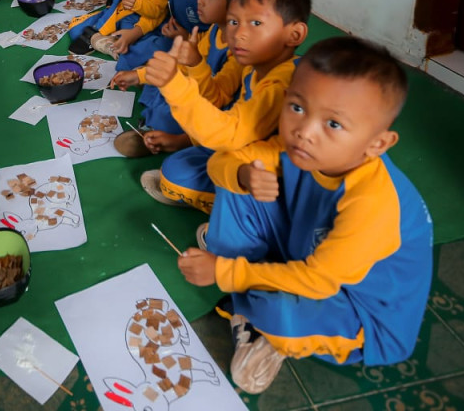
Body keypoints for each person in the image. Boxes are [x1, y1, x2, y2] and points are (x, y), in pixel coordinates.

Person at [176, 37, 432, 395]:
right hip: (305, 251)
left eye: (334, 124)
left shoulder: (373, 202)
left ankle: (257, 315)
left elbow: (318, 281)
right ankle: (250, 280)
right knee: (241, 183)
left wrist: (223, 271)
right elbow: (223, 161)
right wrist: (243, 175)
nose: (304, 132)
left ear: (378, 144)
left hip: (357, 309)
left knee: (281, 312)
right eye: (297, 107)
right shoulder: (300, 146)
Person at [144, 0, 311, 212]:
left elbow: (232, 133)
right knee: (181, 165)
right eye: (233, 22)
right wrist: (195, 65)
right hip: (244, 149)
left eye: (256, 23)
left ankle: (245, 213)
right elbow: (217, 99)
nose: (238, 34)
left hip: (271, 173)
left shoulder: (284, 83)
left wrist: (174, 85)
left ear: (294, 34)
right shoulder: (251, 65)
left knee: (175, 178)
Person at [115, 0, 270, 156]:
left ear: (238, 5)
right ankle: (156, 126)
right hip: (199, 89)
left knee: (175, 110)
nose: (200, 0)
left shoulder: (241, 53)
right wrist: (140, 76)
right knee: (160, 75)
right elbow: (181, 67)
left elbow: (217, 99)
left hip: (215, 105)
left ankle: (176, 139)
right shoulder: (215, 31)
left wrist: (196, 63)